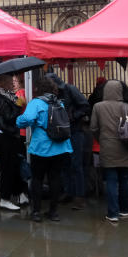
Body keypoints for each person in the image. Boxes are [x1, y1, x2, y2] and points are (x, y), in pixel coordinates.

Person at [17, 77, 72, 222]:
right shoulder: (59, 102)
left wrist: (18, 121)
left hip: (42, 147)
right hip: (61, 146)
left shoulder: (36, 102)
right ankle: (53, 212)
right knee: (55, 178)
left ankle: (36, 212)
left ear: (38, 89)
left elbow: (26, 119)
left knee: (37, 179)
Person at [91, 80, 128, 224]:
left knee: (111, 181)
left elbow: (93, 128)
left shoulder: (97, 107)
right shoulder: (126, 107)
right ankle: (124, 209)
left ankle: (113, 213)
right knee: (124, 179)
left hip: (107, 146)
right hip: (125, 147)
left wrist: (101, 139)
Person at [46, 72, 89, 210]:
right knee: (65, 164)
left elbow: (85, 106)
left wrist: (73, 116)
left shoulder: (70, 89)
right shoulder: (52, 95)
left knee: (76, 165)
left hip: (75, 132)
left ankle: (80, 197)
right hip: (61, 134)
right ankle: (68, 192)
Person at [0, 75, 29, 210]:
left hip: (8, 135)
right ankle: (5, 199)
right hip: (4, 136)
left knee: (14, 166)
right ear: (2, 83)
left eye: (13, 81)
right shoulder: (2, 98)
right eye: (9, 81)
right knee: (8, 168)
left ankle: (19, 194)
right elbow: (9, 118)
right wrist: (18, 107)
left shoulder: (7, 96)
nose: (12, 83)